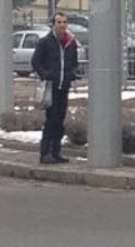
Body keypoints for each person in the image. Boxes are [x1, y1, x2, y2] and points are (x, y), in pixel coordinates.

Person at [31, 12, 79, 164]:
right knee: (51, 120)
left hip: (63, 87)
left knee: (60, 120)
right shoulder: (45, 42)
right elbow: (35, 62)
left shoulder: (71, 42)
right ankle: (45, 153)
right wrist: (46, 75)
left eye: (64, 22)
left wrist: (72, 73)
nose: (62, 25)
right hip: (51, 87)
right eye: (59, 22)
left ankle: (56, 152)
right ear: (53, 24)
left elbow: (74, 62)